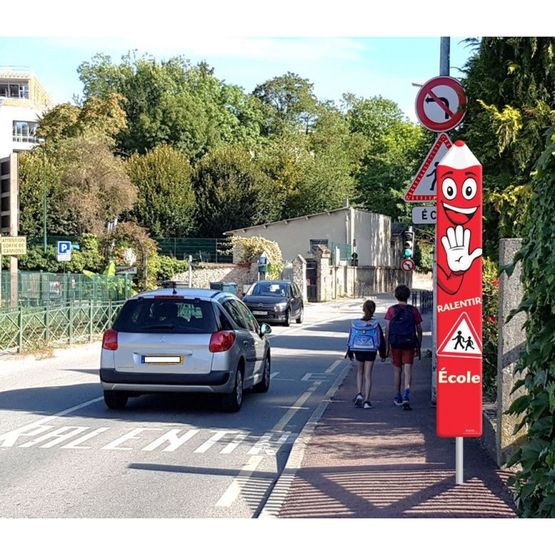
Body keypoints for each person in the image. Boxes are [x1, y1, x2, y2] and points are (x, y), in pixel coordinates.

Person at [384, 284, 423, 411]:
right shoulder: (413, 310)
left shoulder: (391, 310)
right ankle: (406, 395)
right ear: (408, 296)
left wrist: (387, 346)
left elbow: (387, 329)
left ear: (396, 296)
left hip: (395, 343)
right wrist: (419, 344)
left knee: (397, 370)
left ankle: (397, 396)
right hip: (409, 343)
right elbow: (419, 329)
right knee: (408, 370)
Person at [345, 299, 386, 409]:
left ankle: (359, 394)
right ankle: (367, 400)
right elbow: (381, 340)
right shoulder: (375, 324)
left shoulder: (356, 324)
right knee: (368, 375)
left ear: (363, 309)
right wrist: (383, 354)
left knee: (360, 372)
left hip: (358, 349)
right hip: (371, 350)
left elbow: (351, 338)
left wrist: (350, 352)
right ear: (373, 310)